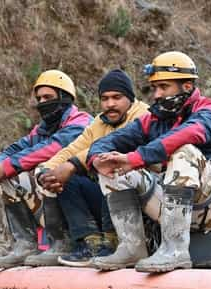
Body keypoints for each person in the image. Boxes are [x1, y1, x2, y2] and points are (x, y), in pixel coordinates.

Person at [85, 51, 211, 273]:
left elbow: (188, 134)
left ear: (187, 87)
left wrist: (135, 158)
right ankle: (132, 246)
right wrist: (97, 159)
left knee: (184, 151)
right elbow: (108, 141)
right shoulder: (153, 119)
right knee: (112, 164)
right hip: (170, 208)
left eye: (164, 87)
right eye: (154, 88)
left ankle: (176, 250)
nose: (157, 95)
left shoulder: (209, 112)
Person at [37, 69, 150, 267]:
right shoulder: (99, 122)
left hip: (143, 199)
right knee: (65, 180)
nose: (110, 104)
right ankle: (90, 243)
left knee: (110, 163)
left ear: (130, 98)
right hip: (108, 198)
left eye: (117, 97)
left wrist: (72, 165)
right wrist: (46, 170)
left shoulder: (143, 115)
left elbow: (117, 144)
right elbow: (73, 149)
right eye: (104, 99)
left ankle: (116, 240)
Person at [0, 70, 93, 268]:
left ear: (64, 98)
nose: (42, 102)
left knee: (45, 169)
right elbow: (19, 147)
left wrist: (6, 166)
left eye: (48, 97)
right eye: (39, 98)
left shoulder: (81, 122)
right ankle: (25, 244)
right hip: (61, 198)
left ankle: (62, 241)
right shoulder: (42, 128)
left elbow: (51, 148)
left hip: (88, 197)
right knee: (11, 177)